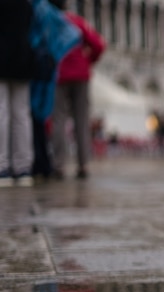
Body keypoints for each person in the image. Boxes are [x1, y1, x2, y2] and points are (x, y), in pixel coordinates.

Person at [50, 0, 106, 180]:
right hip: (80, 75)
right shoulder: (77, 22)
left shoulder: (50, 23)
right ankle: (84, 164)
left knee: (58, 120)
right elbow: (98, 45)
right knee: (81, 120)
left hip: (58, 75)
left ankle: (59, 165)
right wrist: (87, 62)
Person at [30, 0, 81, 181]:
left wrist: (50, 52)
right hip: (47, 69)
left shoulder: (40, 9)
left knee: (40, 116)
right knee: (43, 117)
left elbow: (73, 34)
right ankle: (44, 162)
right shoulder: (50, 12)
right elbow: (74, 35)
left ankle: (43, 161)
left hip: (39, 67)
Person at [0, 0, 35, 187]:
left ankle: (2, 167)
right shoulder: (26, 5)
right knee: (21, 115)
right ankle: (23, 168)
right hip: (22, 59)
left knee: (2, 113)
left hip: (2, 59)